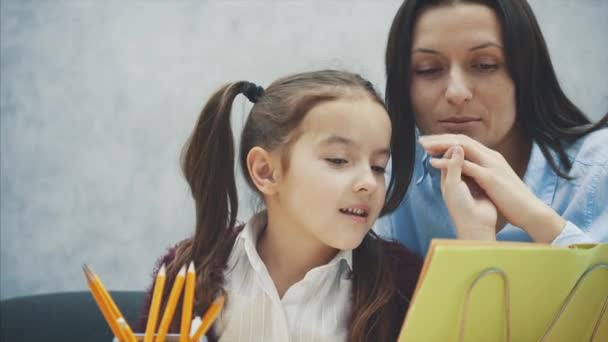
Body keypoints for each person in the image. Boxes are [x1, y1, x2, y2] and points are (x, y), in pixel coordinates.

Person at [137, 70, 423, 341]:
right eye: (339, 160)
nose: (369, 183)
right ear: (265, 171)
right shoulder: (186, 271)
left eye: (377, 167)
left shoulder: (405, 285)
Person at [380, 0, 608, 257]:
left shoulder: (599, 167)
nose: (456, 93)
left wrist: (536, 217)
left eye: (485, 65)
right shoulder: (381, 180)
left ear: (526, 71)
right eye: (428, 69)